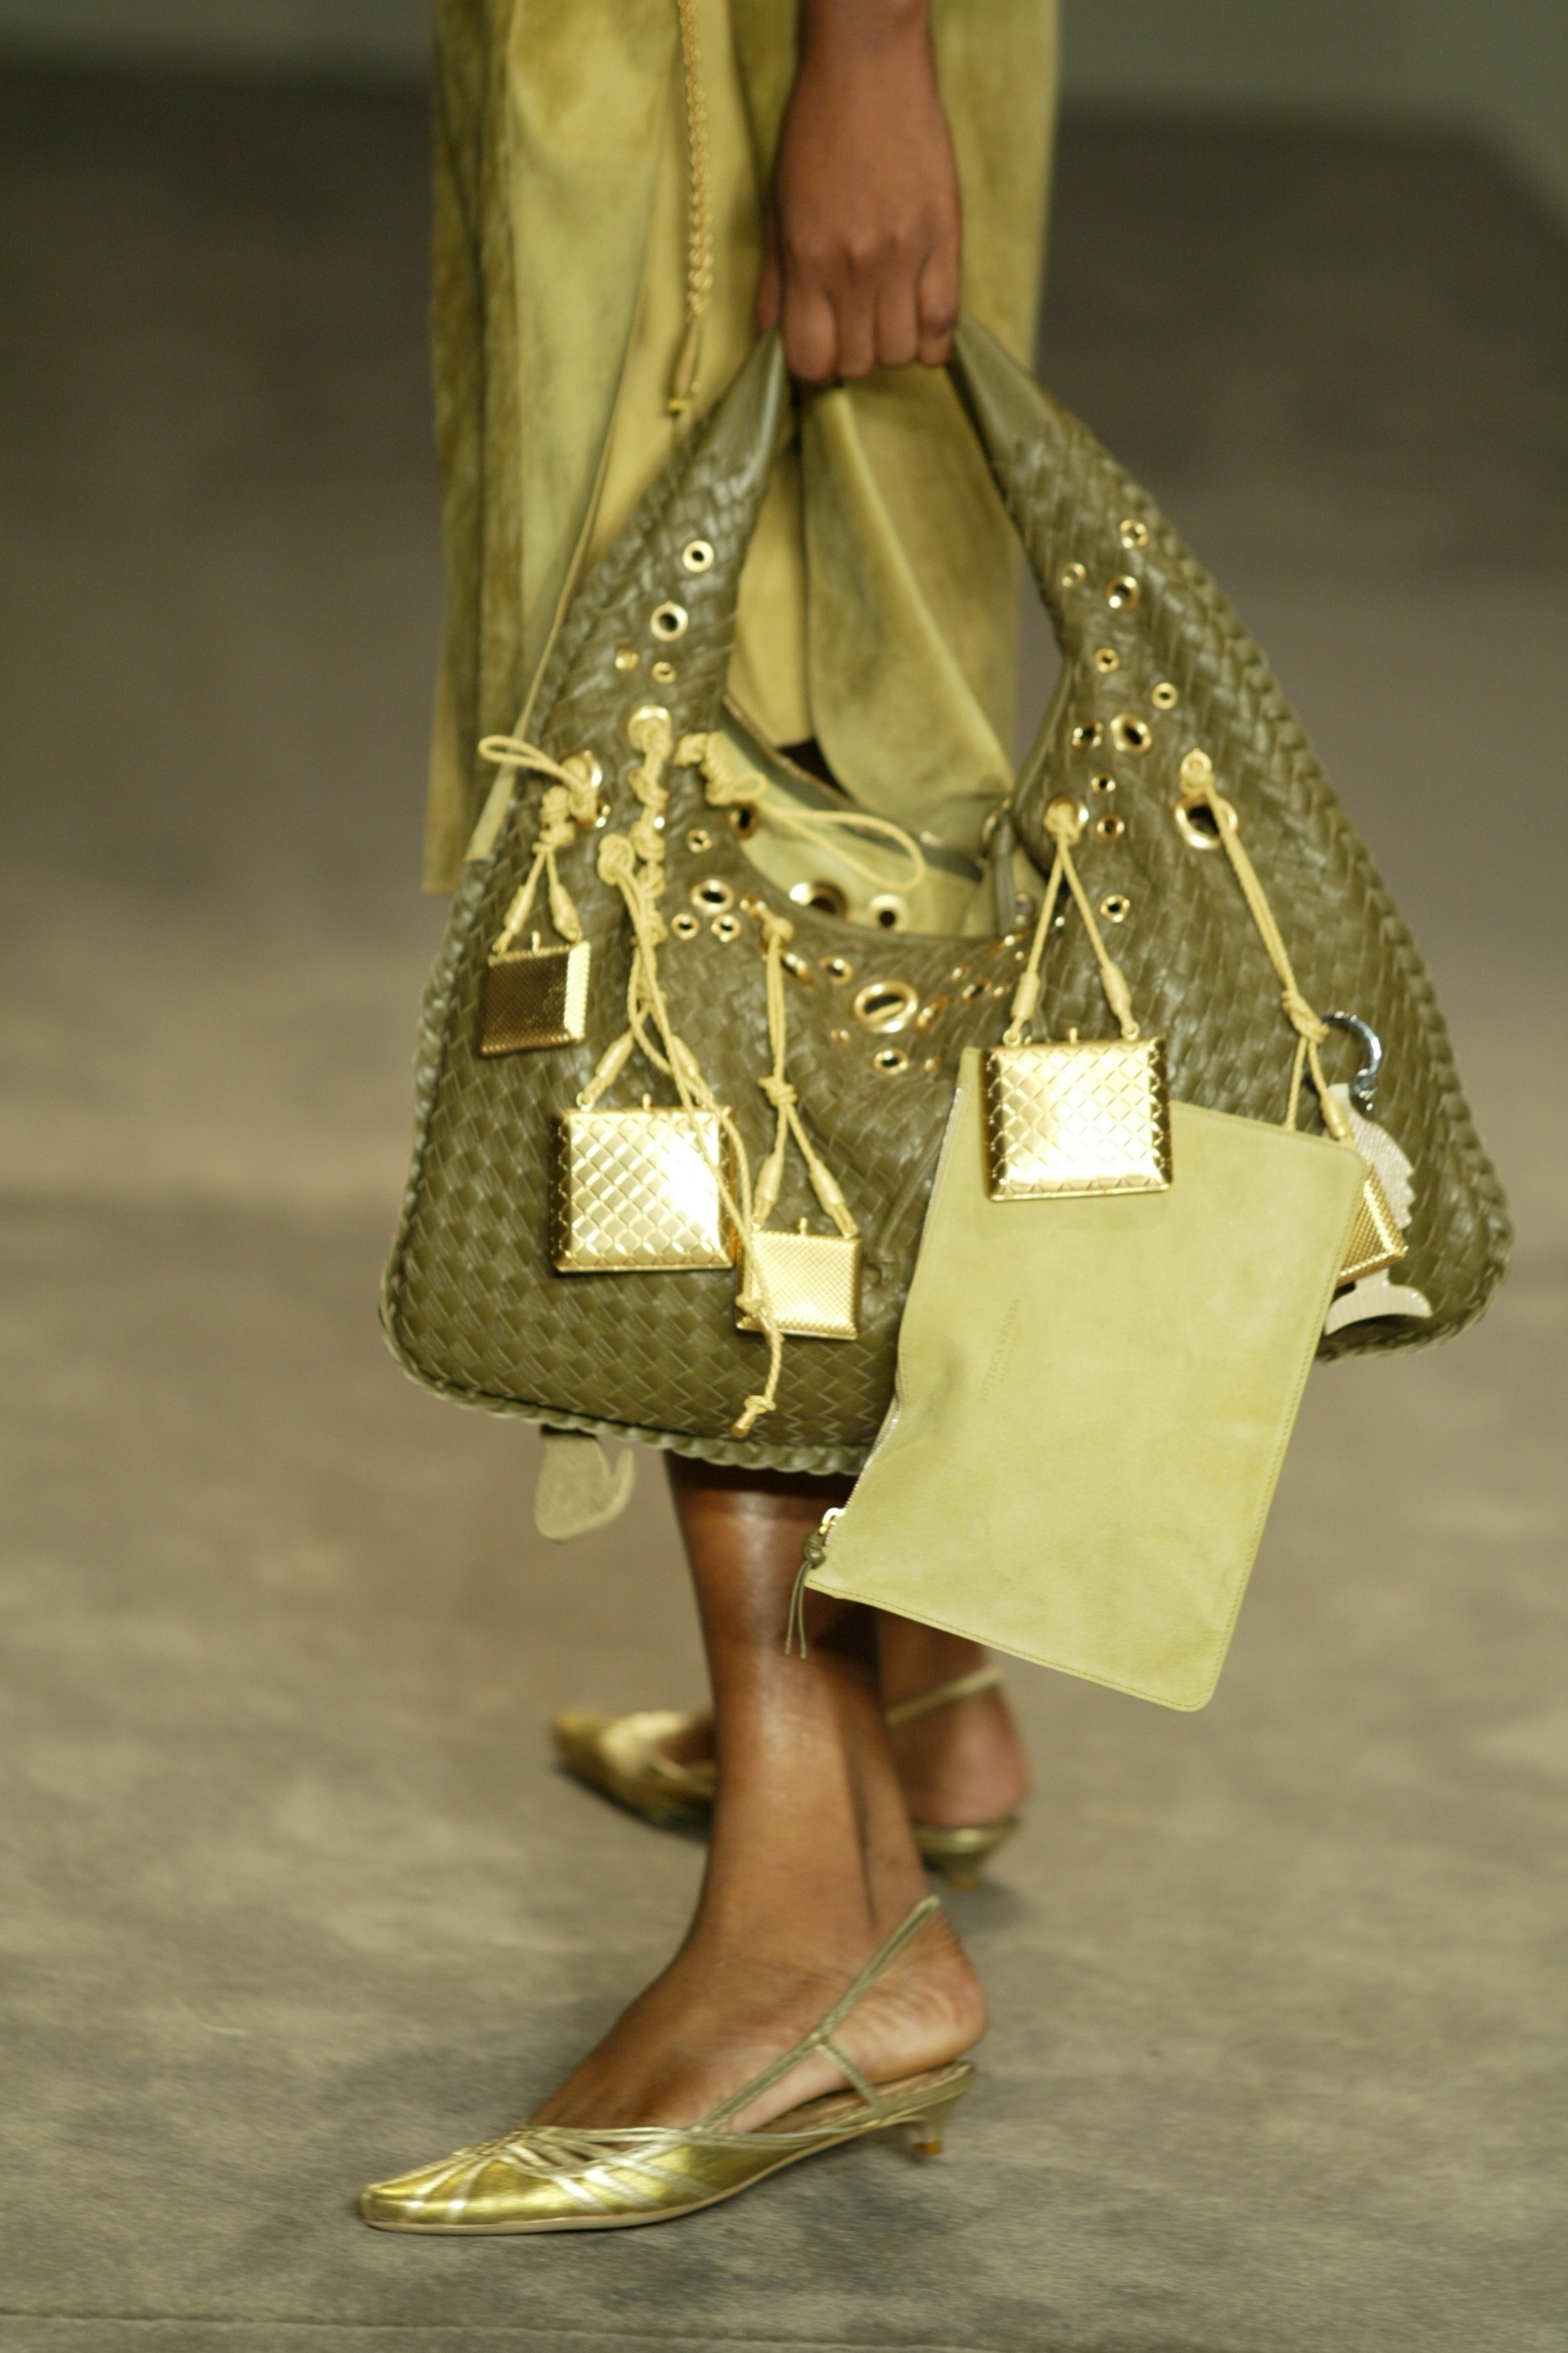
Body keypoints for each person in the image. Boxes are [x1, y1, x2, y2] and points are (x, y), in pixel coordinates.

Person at [360, 0, 1057, 2234]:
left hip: (711, 51)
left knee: (714, 844)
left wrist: (862, 49)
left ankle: (807, 1921)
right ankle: (915, 1687)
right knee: (816, 752)